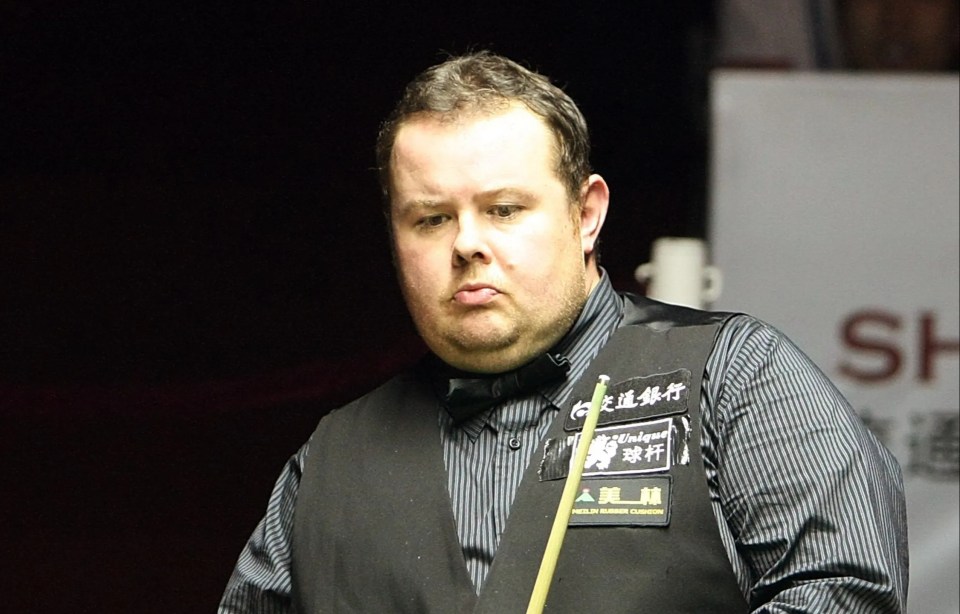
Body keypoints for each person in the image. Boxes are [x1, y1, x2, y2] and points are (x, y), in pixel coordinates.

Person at [218, 51, 908, 612]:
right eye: (431, 218)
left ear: (586, 213)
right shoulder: (333, 458)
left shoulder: (733, 377)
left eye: (505, 209)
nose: (467, 244)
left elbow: (847, 594)